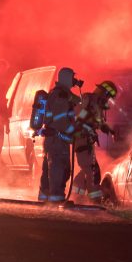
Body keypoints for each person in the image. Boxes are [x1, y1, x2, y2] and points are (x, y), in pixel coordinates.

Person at [38, 67, 82, 203]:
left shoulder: (59, 93)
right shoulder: (61, 96)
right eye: (72, 78)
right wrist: (73, 130)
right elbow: (61, 119)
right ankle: (56, 198)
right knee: (59, 168)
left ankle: (45, 197)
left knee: (49, 168)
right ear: (67, 78)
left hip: (53, 139)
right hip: (57, 139)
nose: (74, 81)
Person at [71, 80, 119, 202]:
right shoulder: (87, 100)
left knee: (88, 169)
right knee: (93, 171)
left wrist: (107, 129)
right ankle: (95, 200)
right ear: (104, 93)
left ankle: (77, 195)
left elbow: (97, 121)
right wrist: (89, 130)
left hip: (88, 140)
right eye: (108, 96)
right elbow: (78, 120)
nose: (108, 100)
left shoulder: (97, 105)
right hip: (81, 139)